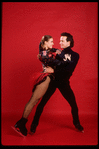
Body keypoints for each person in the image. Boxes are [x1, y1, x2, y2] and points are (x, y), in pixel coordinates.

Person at [12, 35, 68, 137]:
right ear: (45, 43)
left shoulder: (44, 49)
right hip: (45, 79)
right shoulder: (45, 56)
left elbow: (47, 47)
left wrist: (56, 50)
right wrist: (65, 60)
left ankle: (20, 123)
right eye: (51, 41)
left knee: (35, 101)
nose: (52, 43)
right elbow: (59, 63)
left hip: (47, 78)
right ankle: (21, 123)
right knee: (33, 101)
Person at [29, 32, 84, 135]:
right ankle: (33, 126)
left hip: (64, 83)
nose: (59, 42)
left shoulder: (75, 55)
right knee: (41, 104)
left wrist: (53, 70)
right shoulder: (58, 52)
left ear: (69, 42)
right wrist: (42, 57)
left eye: (62, 40)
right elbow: (44, 51)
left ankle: (77, 124)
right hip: (53, 81)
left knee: (74, 105)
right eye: (60, 40)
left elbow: (69, 69)